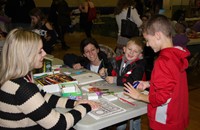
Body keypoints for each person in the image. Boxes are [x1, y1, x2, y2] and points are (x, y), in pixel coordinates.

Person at [0, 28, 100, 130]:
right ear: (26, 56)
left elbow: (40, 96)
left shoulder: (13, 79)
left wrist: (74, 103)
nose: (44, 54)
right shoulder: (23, 88)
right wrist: (86, 106)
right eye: (40, 51)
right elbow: (60, 124)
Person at [124, 15, 190, 130]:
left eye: (148, 40)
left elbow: (161, 98)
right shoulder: (176, 54)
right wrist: (149, 83)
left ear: (158, 35)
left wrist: (139, 95)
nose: (148, 45)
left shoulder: (162, 61)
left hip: (164, 121)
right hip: (178, 116)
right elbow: (171, 82)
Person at [99, 37, 146, 130]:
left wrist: (115, 80)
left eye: (135, 51)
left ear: (140, 54)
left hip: (136, 96)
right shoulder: (116, 60)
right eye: (129, 49)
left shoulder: (139, 65)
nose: (131, 53)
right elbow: (111, 73)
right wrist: (104, 73)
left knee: (136, 120)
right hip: (120, 94)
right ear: (124, 49)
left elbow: (132, 81)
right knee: (120, 124)